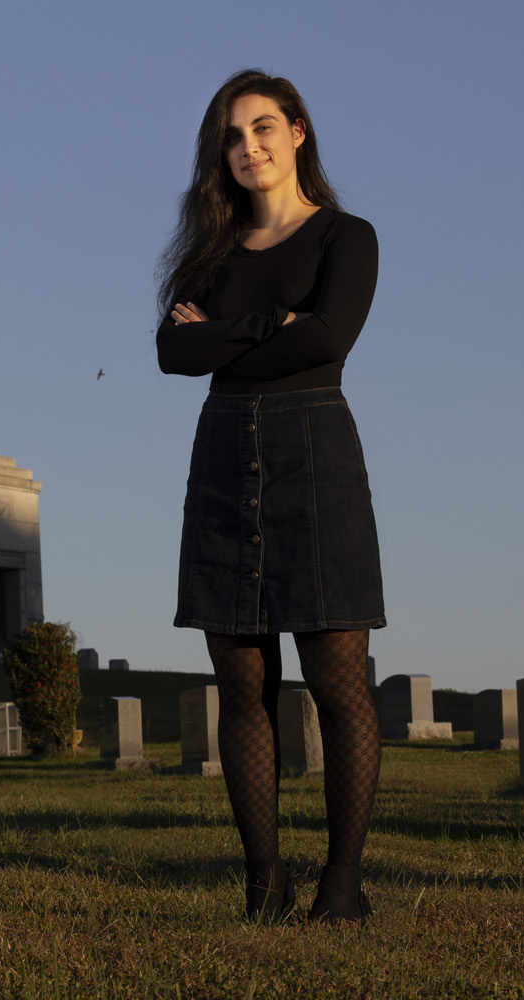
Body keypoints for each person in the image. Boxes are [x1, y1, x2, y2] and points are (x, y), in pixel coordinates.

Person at [155, 69, 384, 924]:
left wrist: (221, 339)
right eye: (230, 135)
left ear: (296, 132)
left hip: (314, 454)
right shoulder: (210, 257)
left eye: (261, 128)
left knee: (338, 680)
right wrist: (263, 329)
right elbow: (172, 357)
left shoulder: (346, 238)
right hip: (222, 460)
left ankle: (340, 888)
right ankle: (264, 884)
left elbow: (327, 340)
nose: (246, 147)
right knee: (240, 683)